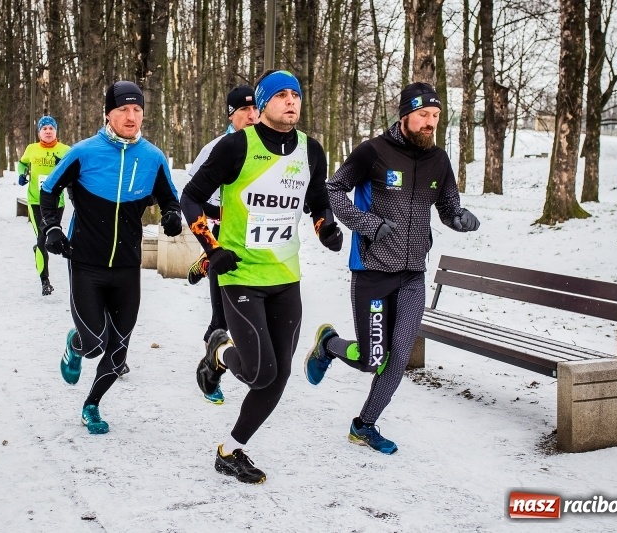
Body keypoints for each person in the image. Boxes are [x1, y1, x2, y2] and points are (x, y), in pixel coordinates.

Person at [182, 70, 344, 483]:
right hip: (240, 275)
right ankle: (219, 350)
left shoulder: (311, 150)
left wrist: (324, 226)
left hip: (285, 276)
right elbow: (192, 196)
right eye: (281, 95)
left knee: (280, 375)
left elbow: (317, 199)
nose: (291, 101)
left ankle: (230, 450)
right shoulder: (237, 145)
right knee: (259, 372)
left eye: (296, 95)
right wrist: (212, 249)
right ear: (263, 103)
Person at [303, 82, 481, 455]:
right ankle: (329, 345)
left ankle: (363, 425)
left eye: (435, 116)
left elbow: (447, 206)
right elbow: (333, 189)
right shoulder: (373, 152)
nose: (430, 123)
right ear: (405, 116)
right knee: (372, 360)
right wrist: (368, 224)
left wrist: (459, 218)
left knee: (398, 356)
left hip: (413, 274)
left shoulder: (439, 160)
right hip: (372, 270)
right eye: (423, 116)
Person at [41, 81, 182, 435]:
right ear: (108, 113)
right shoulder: (83, 153)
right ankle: (75, 344)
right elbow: (49, 190)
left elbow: (169, 198)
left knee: (118, 350)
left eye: (137, 110)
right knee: (94, 344)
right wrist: (52, 228)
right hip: (86, 262)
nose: (131, 116)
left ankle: (92, 405)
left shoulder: (152, 157)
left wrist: (171, 215)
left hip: (127, 267)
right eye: (123, 109)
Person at [186, 84, 258, 404]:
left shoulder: (270, 149)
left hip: (257, 248)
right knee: (222, 320)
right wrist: (213, 245)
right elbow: (193, 198)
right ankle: (210, 373)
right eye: (244, 110)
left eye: (255, 109)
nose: (251, 115)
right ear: (231, 115)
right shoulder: (217, 148)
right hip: (223, 242)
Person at [17, 116, 71, 296]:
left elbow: (75, 170)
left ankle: (39, 249)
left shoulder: (65, 150)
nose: (48, 131)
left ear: (56, 131)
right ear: (39, 132)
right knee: (41, 239)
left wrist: (63, 168)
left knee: (50, 237)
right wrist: (22, 174)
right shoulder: (31, 149)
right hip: (35, 202)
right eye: (44, 128)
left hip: (57, 203)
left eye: (51, 128)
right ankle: (45, 280)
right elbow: (23, 162)